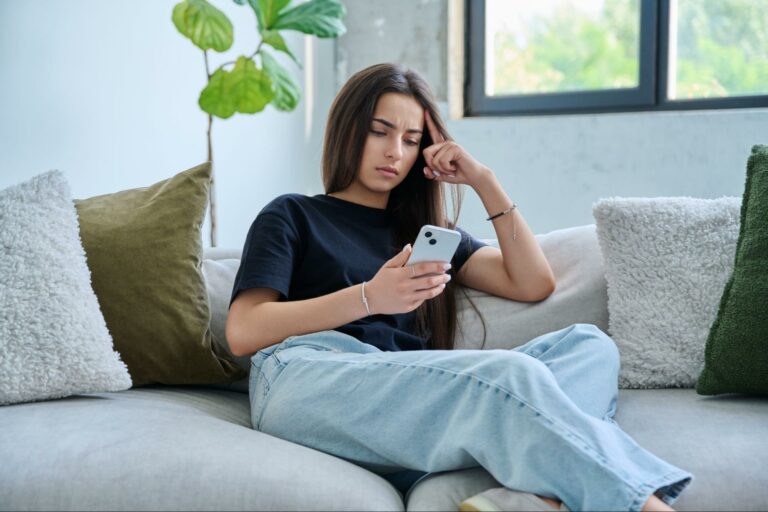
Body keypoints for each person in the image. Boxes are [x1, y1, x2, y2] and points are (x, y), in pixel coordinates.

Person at [226, 63, 692, 512]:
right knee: (508, 376)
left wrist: (483, 180)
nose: (395, 152)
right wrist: (370, 296)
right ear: (348, 128)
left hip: (409, 402)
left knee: (589, 347)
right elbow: (244, 331)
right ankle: (640, 503)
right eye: (380, 131)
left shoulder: (422, 231)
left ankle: (518, 496)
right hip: (307, 376)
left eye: (412, 140)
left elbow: (532, 282)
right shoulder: (292, 214)